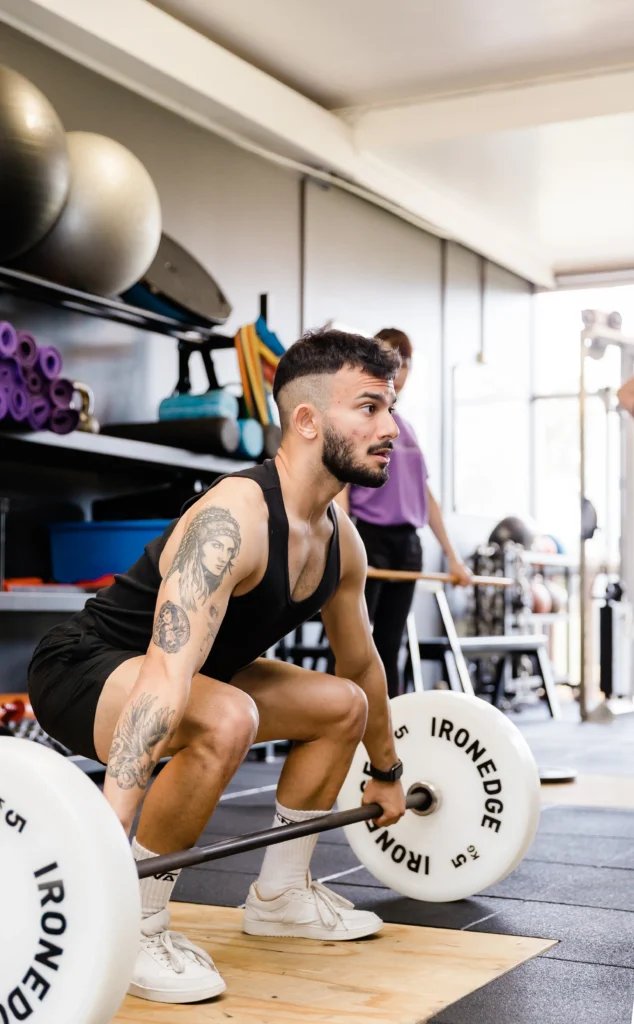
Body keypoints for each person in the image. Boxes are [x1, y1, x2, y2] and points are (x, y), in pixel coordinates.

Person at [28, 329, 407, 1006]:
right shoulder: (232, 519)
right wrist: (112, 827)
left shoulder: (338, 539)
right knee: (229, 716)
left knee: (340, 701)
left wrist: (387, 774)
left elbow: (364, 666)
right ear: (308, 419)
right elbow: (166, 675)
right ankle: (135, 919)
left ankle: (283, 895)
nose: (391, 428)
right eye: (371, 408)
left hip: (196, 679)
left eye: (392, 407)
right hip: (87, 668)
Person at [337, 327, 472, 699]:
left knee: (389, 644)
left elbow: (426, 498)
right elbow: (343, 488)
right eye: (391, 360)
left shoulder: (405, 429)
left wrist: (455, 560)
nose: (399, 370)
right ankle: (347, 724)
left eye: (404, 363)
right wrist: (345, 542)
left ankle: (387, 729)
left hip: (407, 546)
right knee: (357, 645)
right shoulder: (362, 422)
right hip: (370, 540)